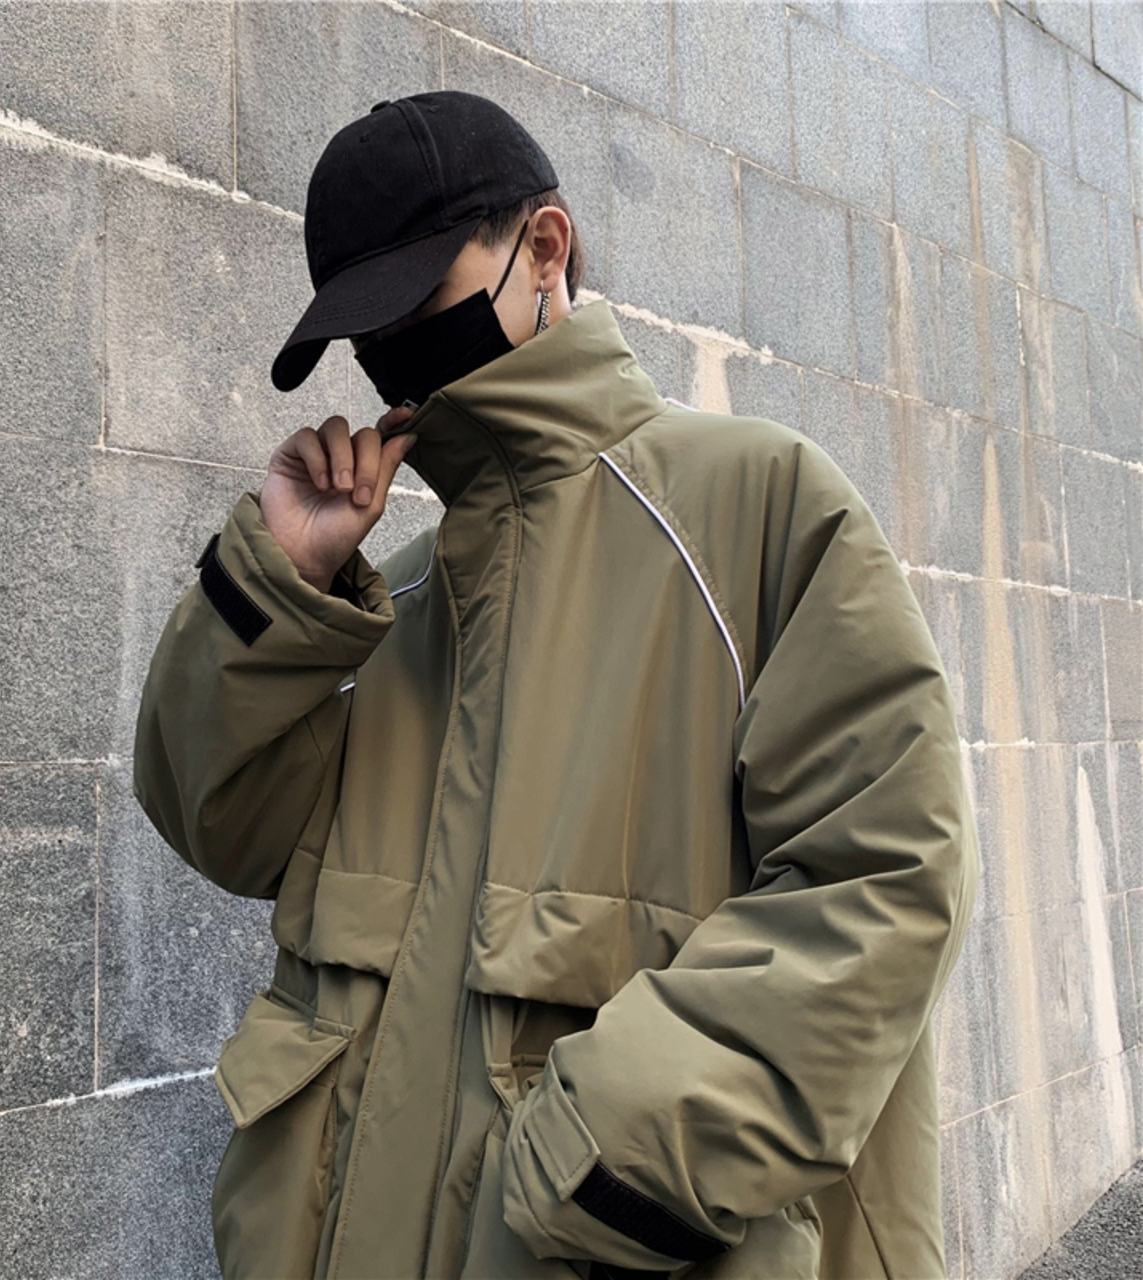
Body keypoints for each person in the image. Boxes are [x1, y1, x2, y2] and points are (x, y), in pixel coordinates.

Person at [132, 90, 979, 1280]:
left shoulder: (752, 509)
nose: (394, 353)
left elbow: (884, 881)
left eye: (418, 300)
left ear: (544, 248)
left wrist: (593, 1162)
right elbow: (222, 823)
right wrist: (277, 584)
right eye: (365, 331)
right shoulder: (398, 594)